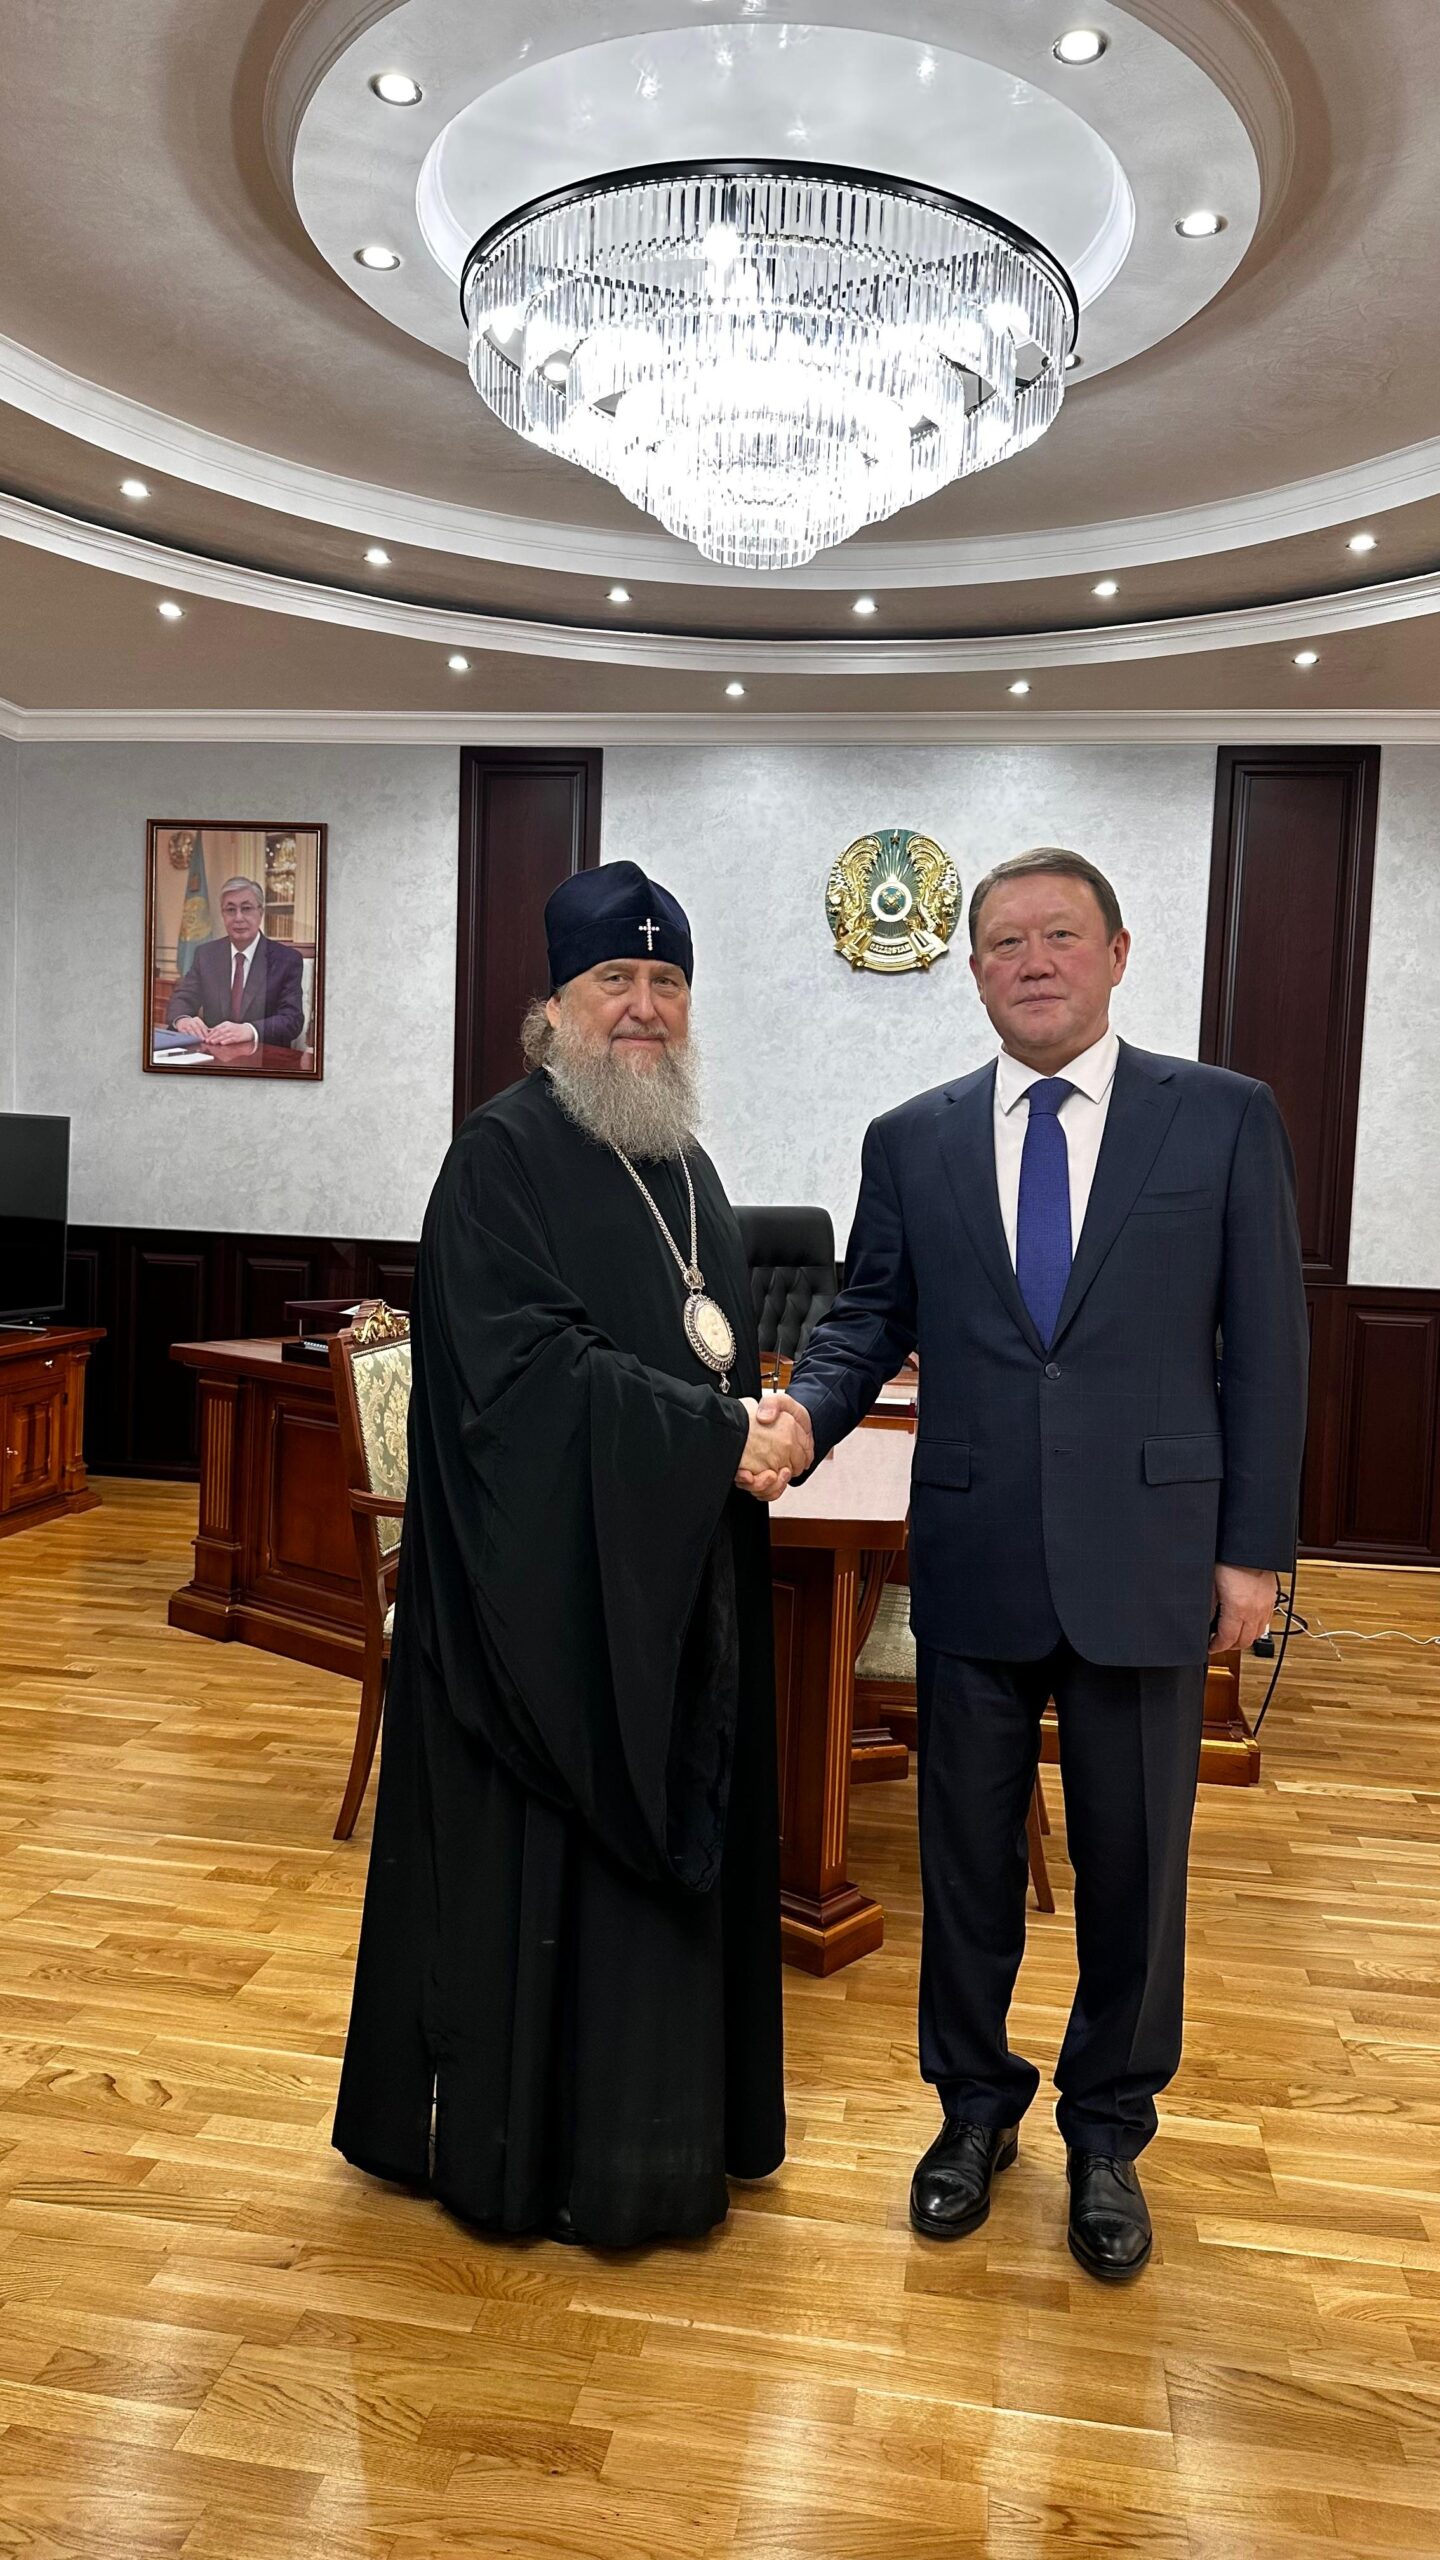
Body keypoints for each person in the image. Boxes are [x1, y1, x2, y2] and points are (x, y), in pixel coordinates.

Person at [756, 847, 1307, 2282]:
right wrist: (803, 1416)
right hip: (978, 1552)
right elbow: (865, 1317)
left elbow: (1268, 1346)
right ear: (975, 970)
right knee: (965, 1866)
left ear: (1118, 953)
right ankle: (972, 2110)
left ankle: (1109, 2134)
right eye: (1005, 942)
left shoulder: (1223, 1118)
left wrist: (1255, 1552)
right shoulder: (913, 1138)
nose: (1034, 960)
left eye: (1062, 934)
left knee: (1135, 1872)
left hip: (1153, 1558)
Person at [334, 862, 801, 2248]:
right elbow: (522, 1377)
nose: (644, 1006)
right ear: (553, 1006)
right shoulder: (502, 1156)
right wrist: (713, 1435)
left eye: (667, 981)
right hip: (537, 1602)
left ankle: (664, 2136)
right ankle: (532, 2153)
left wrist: (752, 1425)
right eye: (617, 980)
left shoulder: (686, 1163)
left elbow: (710, 1344)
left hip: (673, 1574)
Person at [167, 875, 303, 1051]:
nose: (238, 917)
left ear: (260, 912)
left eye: (246, 908)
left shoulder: (286, 959)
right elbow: (182, 998)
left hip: (264, 1056)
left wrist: (250, 1030)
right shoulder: (206, 955)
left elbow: (292, 1019)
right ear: (222, 914)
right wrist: (183, 1020)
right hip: (213, 1052)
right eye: (230, 910)